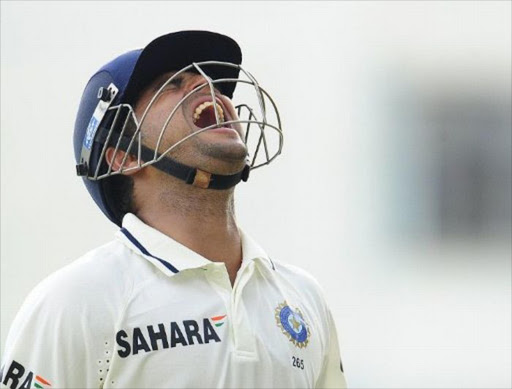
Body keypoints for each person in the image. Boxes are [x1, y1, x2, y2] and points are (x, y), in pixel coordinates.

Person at [1, 31, 347, 389]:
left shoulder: (302, 295)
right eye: (171, 83)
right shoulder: (78, 299)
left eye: (210, 79)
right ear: (125, 155)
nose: (204, 82)